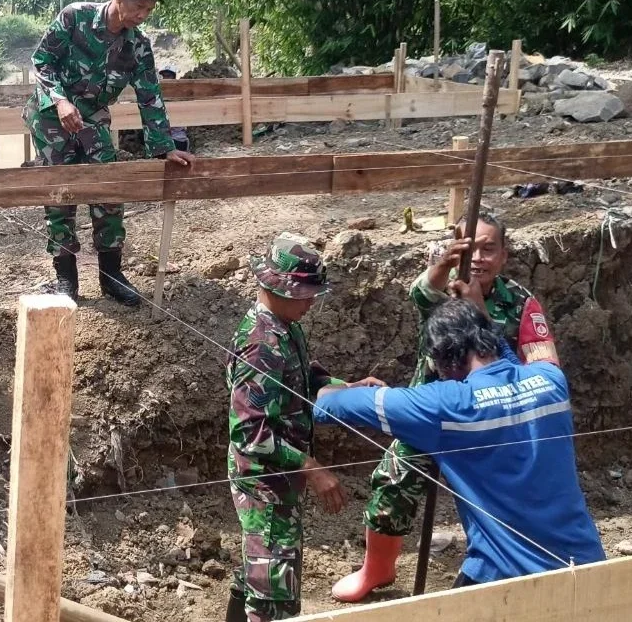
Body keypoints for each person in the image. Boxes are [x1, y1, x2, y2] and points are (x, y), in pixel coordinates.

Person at [332, 212, 559, 601]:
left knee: (500, 498)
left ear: (504, 255)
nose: (480, 259)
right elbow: (420, 293)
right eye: (472, 250)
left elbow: (545, 367)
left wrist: (482, 315)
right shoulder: (447, 290)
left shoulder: (521, 302)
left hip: (492, 420)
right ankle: (377, 570)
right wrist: (443, 264)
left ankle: (503, 565)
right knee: (392, 481)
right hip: (434, 413)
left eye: (489, 250)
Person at [316, 298, 604, 587]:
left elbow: (329, 406)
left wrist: (329, 389)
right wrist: (481, 312)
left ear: (444, 358)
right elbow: (512, 368)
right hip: (587, 566)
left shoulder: (446, 404)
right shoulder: (551, 380)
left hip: (505, 578)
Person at [226, 232, 384, 622]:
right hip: (265, 482)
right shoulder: (261, 346)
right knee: (273, 598)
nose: (311, 301)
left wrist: (343, 387)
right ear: (277, 287)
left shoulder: (285, 327)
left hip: (280, 478)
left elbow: (303, 374)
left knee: (258, 573)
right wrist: (312, 468)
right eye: (305, 293)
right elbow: (249, 433)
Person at [27, 0, 196, 306]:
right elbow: (41, 61)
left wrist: (165, 148)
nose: (142, 14)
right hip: (50, 115)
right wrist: (60, 101)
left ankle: (111, 276)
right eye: (137, 5)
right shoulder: (75, 18)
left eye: (149, 9)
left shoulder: (137, 46)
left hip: (94, 119)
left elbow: (150, 95)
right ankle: (66, 278)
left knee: (110, 191)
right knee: (61, 194)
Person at [157, 66, 190, 152]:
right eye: (164, 76)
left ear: (174, 77)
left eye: (168, 76)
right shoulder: (159, 96)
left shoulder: (180, 96)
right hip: (163, 140)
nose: (165, 79)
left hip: (177, 139)